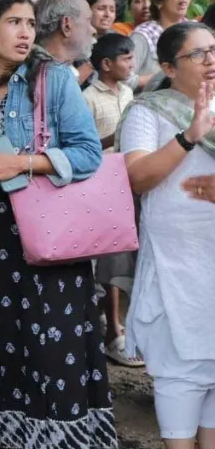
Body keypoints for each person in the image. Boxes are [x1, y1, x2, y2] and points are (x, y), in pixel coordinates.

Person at [0, 0, 113, 449]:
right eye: (13, 23)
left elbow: (88, 153)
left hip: (45, 237)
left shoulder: (52, 78)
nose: (26, 32)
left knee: (55, 354)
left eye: (29, 22)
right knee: (9, 352)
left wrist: (22, 162)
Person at [120, 22, 215, 449]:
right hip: (178, 257)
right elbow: (136, 178)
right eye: (197, 54)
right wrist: (188, 136)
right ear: (169, 67)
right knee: (183, 367)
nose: (209, 60)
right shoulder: (148, 110)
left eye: (213, 50)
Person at [83, 33, 143, 368]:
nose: (132, 65)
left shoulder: (129, 93)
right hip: (100, 187)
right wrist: (118, 136)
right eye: (126, 59)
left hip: (126, 184)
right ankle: (111, 331)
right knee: (107, 260)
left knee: (121, 257)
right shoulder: (88, 98)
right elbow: (86, 145)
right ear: (106, 64)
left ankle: (118, 328)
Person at [131, 0, 192, 91]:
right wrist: (168, 75)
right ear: (159, 2)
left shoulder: (195, 31)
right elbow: (125, 79)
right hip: (151, 103)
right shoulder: (142, 35)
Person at [34, 0, 97, 87]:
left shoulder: (35, 70)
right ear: (67, 25)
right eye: (88, 20)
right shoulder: (50, 78)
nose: (94, 31)